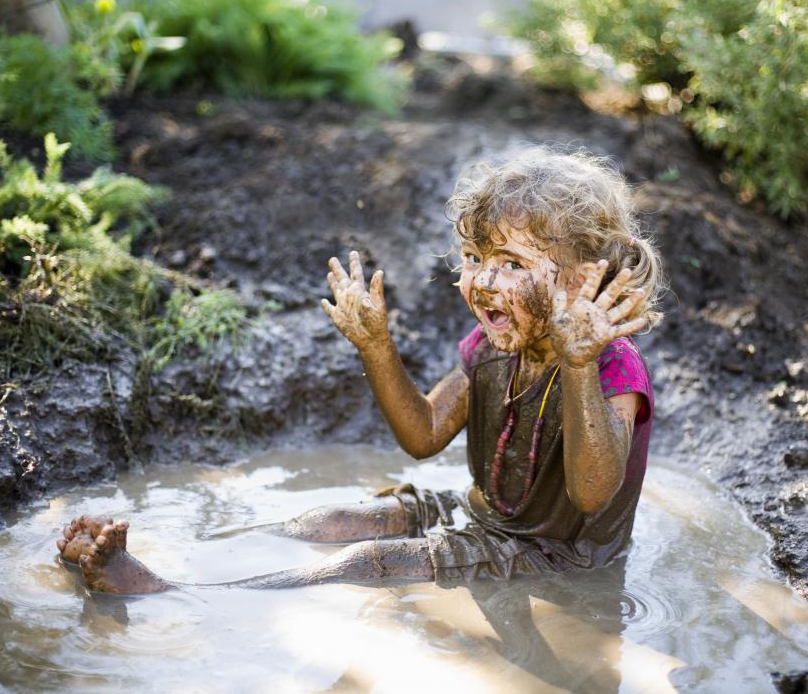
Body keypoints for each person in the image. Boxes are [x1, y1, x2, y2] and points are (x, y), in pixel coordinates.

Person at [55, 147, 664, 593]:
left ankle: (168, 592)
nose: (481, 280)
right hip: (484, 516)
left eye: (509, 261)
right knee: (336, 520)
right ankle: (177, 551)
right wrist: (377, 347)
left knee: (366, 562)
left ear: (584, 279)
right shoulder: (493, 346)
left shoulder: (613, 370)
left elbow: (590, 494)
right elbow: (423, 436)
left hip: (556, 559)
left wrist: (579, 363)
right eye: (474, 257)